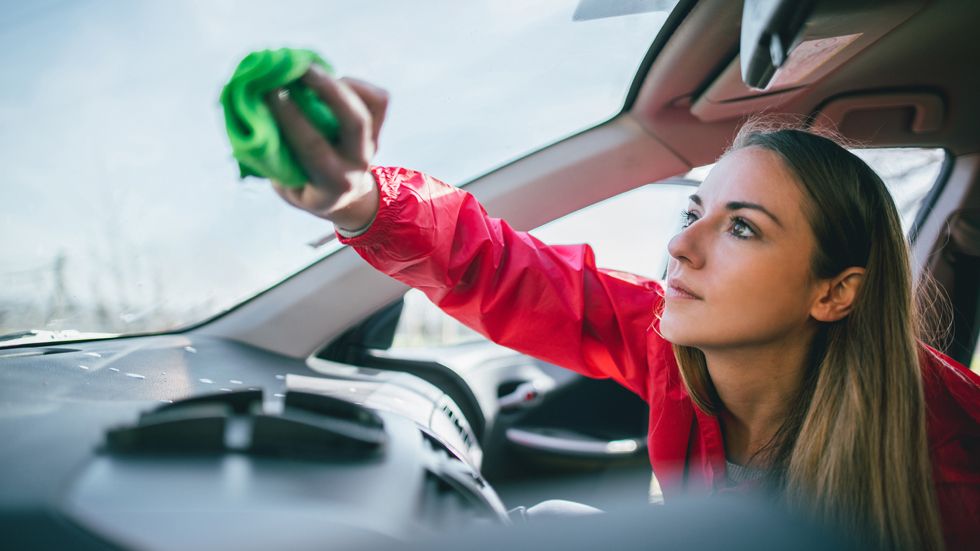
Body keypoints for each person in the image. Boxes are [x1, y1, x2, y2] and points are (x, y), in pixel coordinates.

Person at [263, 66, 980, 550]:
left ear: (835, 292)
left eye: (742, 227)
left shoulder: (955, 465)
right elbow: (501, 269)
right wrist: (357, 199)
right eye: (696, 210)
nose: (680, 244)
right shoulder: (668, 342)